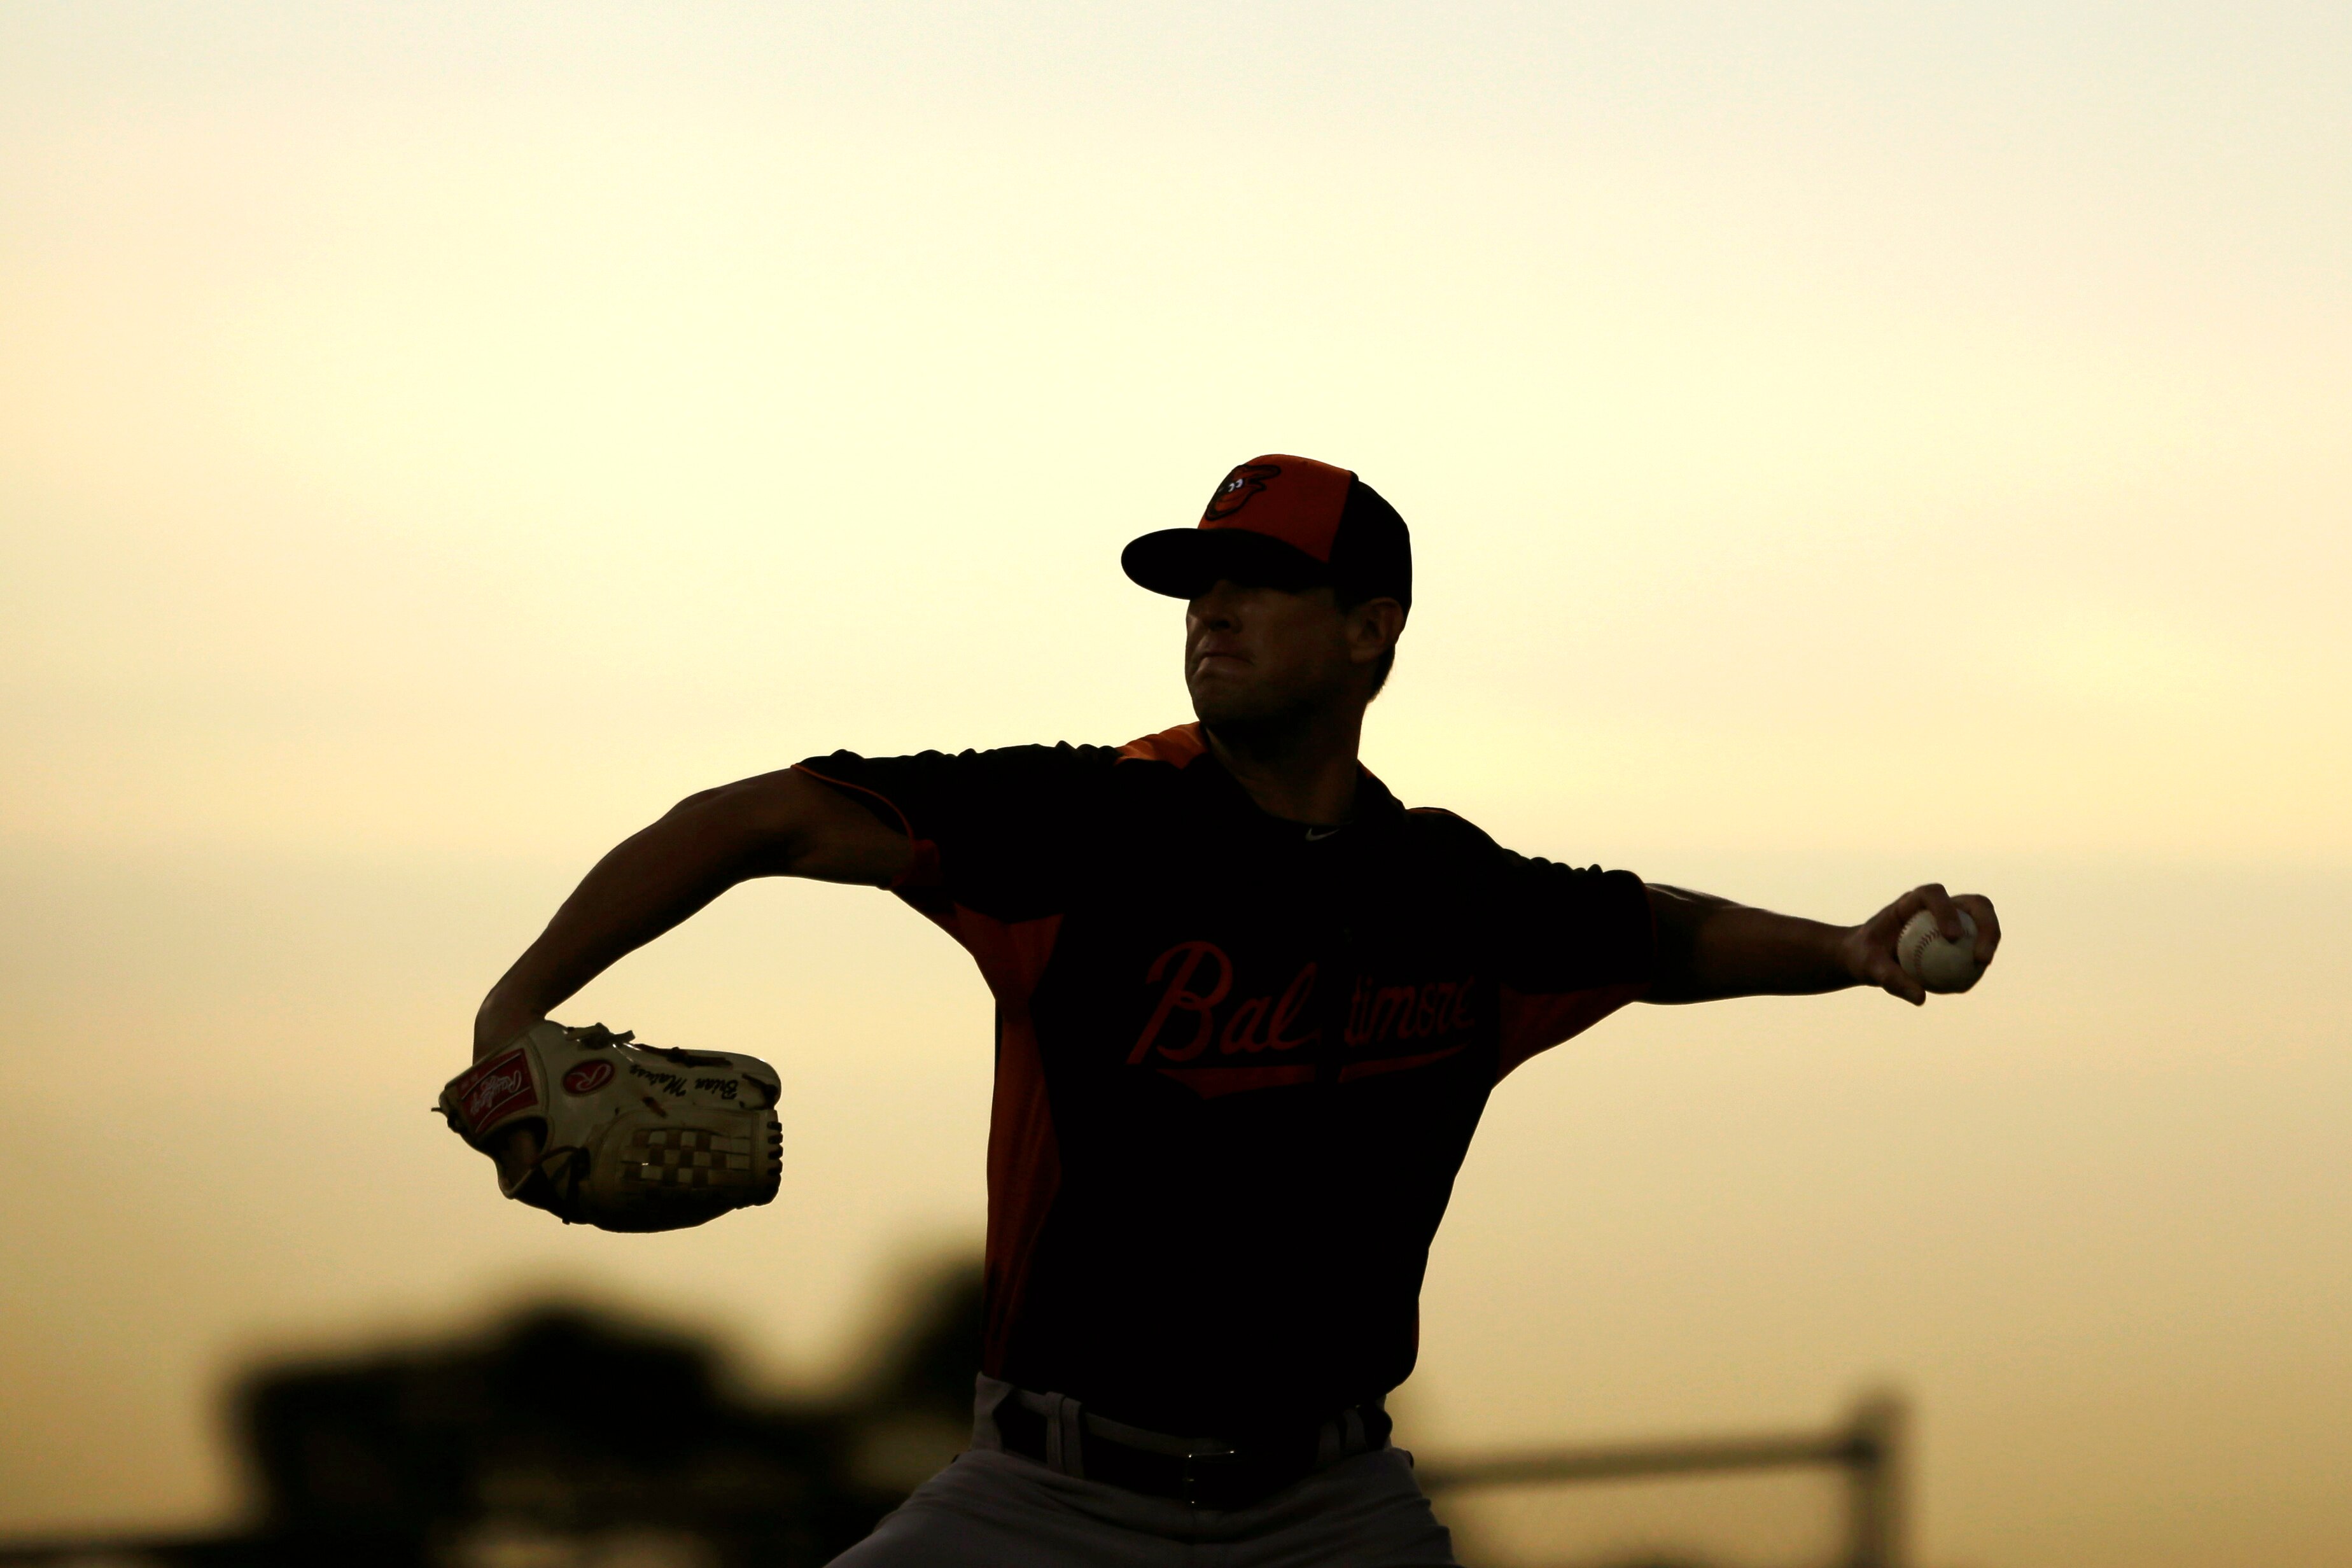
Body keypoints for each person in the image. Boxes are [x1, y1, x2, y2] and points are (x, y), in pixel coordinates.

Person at [470, 454, 2001, 1567]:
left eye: (1261, 579)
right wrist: (518, 1007)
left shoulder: (1452, 892)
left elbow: (1657, 930)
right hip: (1047, 1502)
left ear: (1369, 627)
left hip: (1328, 1511)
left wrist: (1855, 949)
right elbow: (756, 817)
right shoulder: (1086, 825)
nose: (1214, 607)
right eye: (1199, 582)